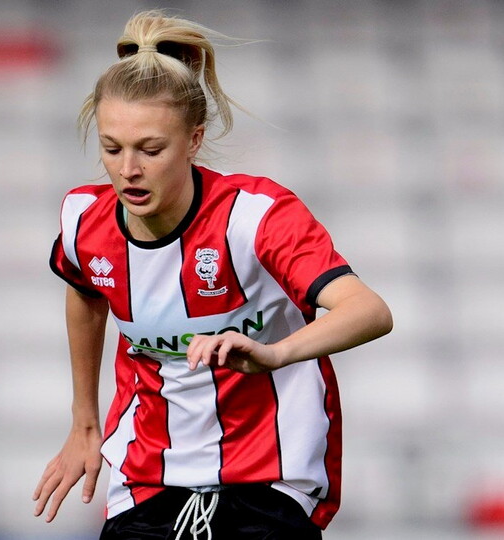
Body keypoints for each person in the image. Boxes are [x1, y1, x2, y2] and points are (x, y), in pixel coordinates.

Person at [33, 9, 393, 539]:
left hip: (272, 475)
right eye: (112, 148)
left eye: (151, 149)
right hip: (148, 475)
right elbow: (86, 293)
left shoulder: (256, 216)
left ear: (194, 140)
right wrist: (84, 421)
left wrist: (274, 354)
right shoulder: (84, 220)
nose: (128, 169)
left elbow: (370, 311)